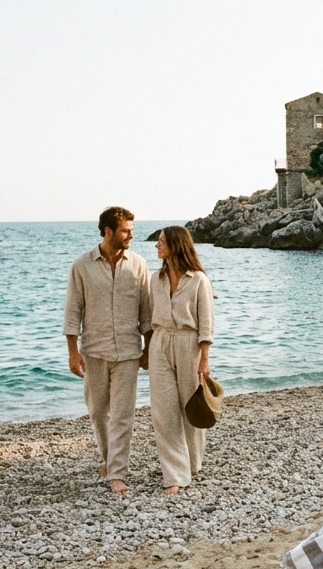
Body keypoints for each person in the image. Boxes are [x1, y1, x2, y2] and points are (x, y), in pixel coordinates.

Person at [64, 207, 151, 496]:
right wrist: (73, 352)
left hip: (128, 351)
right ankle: (109, 459)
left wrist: (148, 348)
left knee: (123, 415)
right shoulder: (82, 266)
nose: (131, 235)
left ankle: (116, 474)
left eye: (131, 230)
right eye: (126, 230)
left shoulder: (138, 265)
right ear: (108, 231)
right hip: (94, 351)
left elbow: (146, 311)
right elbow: (73, 310)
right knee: (98, 412)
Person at [144, 225, 214, 495]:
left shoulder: (198, 280)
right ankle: (175, 474)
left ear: (175, 245)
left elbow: (206, 323)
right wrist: (147, 350)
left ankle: (192, 464)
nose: (157, 245)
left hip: (189, 343)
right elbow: (150, 318)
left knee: (191, 408)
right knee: (163, 412)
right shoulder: (155, 279)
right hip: (160, 341)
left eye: (161, 241)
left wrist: (204, 359)